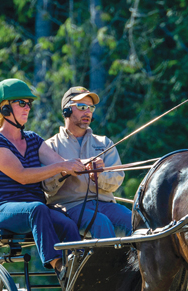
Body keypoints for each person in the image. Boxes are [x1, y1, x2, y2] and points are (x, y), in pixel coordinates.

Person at [0, 78, 87, 288]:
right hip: (0, 209)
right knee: (37, 208)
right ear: (4, 108)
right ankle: (59, 267)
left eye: (29, 103)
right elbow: (22, 175)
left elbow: (60, 163)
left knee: (67, 223)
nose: (27, 108)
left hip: (34, 209)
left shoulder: (33, 139)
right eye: (22, 103)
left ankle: (79, 274)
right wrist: (61, 167)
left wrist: (85, 165)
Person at [42, 86, 132, 239]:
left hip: (106, 204)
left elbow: (117, 180)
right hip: (69, 207)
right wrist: (64, 171)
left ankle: (134, 263)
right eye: (82, 107)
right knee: (100, 222)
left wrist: (98, 176)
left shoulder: (104, 143)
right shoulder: (50, 147)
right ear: (67, 110)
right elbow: (46, 187)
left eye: (91, 108)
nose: (88, 112)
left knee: (135, 220)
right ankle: (109, 263)